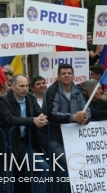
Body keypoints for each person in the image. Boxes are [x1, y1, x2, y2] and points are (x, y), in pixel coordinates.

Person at [0, 75, 49, 193]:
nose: (25, 88)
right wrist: (32, 120)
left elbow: (38, 112)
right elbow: (10, 118)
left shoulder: (30, 97)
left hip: (25, 143)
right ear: (13, 86)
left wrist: (41, 118)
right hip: (8, 144)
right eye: (21, 86)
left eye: (26, 85)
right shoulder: (4, 99)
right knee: (7, 181)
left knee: (43, 167)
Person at [44, 64, 90, 192]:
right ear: (58, 76)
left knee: (78, 163)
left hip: (73, 137)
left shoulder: (77, 91)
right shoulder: (51, 91)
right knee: (66, 163)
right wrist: (73, 118)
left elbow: (86, 108)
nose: (67, 75)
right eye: (63, 73)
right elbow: (51, 114)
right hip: (54, 137)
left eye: (69, 73)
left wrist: (86, 118)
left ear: (73, 75)